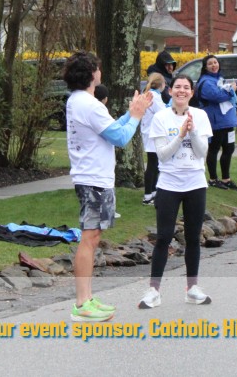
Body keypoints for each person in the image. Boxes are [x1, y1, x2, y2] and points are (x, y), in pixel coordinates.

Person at [63, 51, 152, 322]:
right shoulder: (89, 104)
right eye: (98, 68)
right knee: (89, 237)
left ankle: (87, 299)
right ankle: (82, 304)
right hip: (93, 179)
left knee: (92, 236)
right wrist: (136, 116)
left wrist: (130, 113)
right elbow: (120, 137)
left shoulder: (79, 101)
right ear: (92, 73)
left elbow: (110, 128)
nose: (100, 72)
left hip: (92, 177)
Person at [138, 74, 214, 309]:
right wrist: (180, 134)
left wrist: (192, 132)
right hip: (169, 184)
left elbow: (202, 153)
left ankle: (192, 288)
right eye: (178, 87)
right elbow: (162, 155)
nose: (182, 91)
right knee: (163, 237)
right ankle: (154, 290)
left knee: (193, 237)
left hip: (195, 184)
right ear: (170, 91)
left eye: (186, 87)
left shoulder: (200, 116)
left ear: (192, 92)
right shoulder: (160, 117)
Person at [196, 54, 237, 190]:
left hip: (228, 121)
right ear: (205, 67)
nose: (214, 65)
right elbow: (217, 96)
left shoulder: (220, 79)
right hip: (215, 122)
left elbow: (225, 96)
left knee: (229, 149)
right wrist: (231, 90)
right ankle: (213, 179)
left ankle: (226, 179)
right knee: (214, 149)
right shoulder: (205, 82)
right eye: (210, 63)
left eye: (215, 62)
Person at [141, 73, 167, 205]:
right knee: (152, 164)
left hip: (149, 132)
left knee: (155, 164)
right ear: (161, 84)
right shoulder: (154, 96)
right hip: (152, 133)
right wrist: (170, 106)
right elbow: (162, 113)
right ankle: (147, 196)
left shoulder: (151, 94)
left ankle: (153, 192)